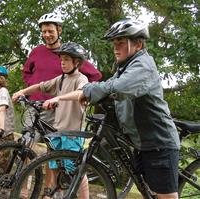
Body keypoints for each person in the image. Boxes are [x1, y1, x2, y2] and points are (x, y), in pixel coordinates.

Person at [45, 19, 180, 199]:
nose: (116, 48)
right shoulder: (126, 66)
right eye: (114, 43)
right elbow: (106, 85)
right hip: (143, 142)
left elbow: (118, 87)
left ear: (138, 44)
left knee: (165, 196)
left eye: (121, 43)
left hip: (158, 143)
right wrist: (78, 95)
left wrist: (90, 92)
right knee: (150, 192)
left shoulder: (142, 66)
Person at [13, 42, 90, 199]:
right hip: (58, 131)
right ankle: (53, 195)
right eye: (61, 59)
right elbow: (41, 86)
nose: (62, 62)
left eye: (66, 59)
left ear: (77, 62)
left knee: (75, 170)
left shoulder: (81, 79)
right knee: (54, 166)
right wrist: (23, 91)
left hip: (73, 134)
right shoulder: (61, 79)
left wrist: (58, 98)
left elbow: (80, 94)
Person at [21, 12, 102, 132]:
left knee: (53, 147)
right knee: (26, 142)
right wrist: (31, 87)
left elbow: (95, 75)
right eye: (44, 32)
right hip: (35, 105)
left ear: (59, 30)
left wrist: (80, 94)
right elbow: (26, 72)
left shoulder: (69, 54)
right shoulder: (36, 52)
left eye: (50, 31)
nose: (47, 35)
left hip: (57, 108)